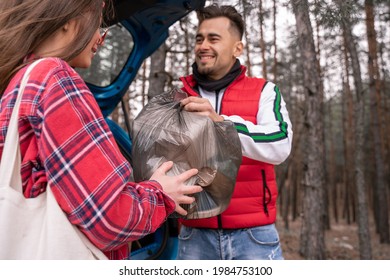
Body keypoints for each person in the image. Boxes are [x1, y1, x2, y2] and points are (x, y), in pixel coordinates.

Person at [0, 0, 202, 260]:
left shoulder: (15, 84)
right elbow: (109, 217)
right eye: (98, 25)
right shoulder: (55, 78)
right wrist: (161, 194)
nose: (100, 38)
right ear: (67, 20)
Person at [177, 4, 293, 260]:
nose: (203, 46)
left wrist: (221, 123)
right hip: (193, 235)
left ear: (237, 48)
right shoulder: (178, 96)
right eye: (199, 38)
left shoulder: (264, 91)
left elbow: (280, 144)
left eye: (213, 39)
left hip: (254, 236)